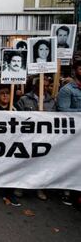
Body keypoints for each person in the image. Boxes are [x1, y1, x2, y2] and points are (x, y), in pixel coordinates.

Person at [57, 60, 81, 206]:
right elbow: (63, 110)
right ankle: (67, 191)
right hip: (73, 134)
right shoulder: (67, 90)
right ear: (75, 70)